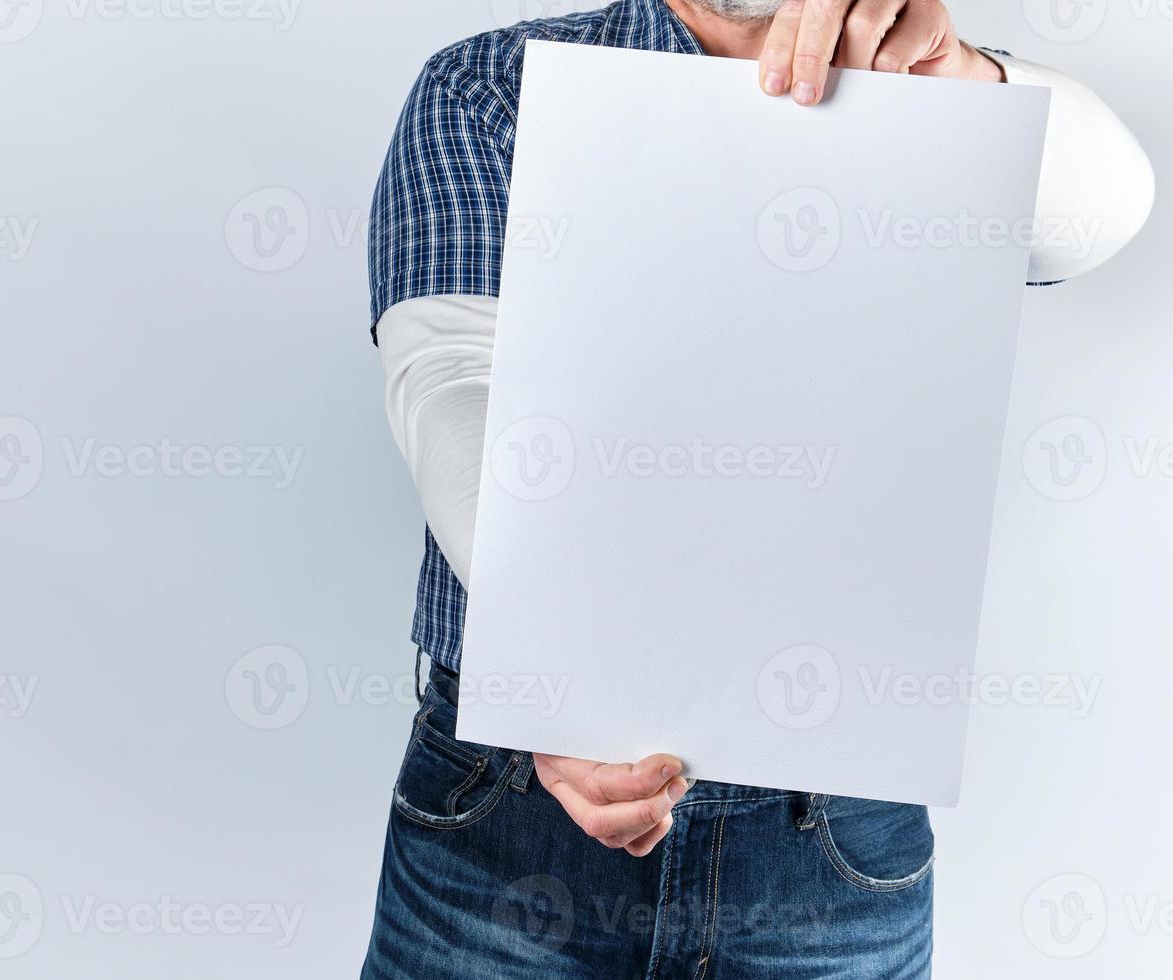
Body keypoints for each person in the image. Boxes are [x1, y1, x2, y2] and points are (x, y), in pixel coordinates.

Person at [360, 0, 1154, 976]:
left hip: (832, 825)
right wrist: (563, 661)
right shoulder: (490, 86)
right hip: (513, 805)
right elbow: (451, 378)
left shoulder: (924, 83)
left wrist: (965, 82)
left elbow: (1102, 211)